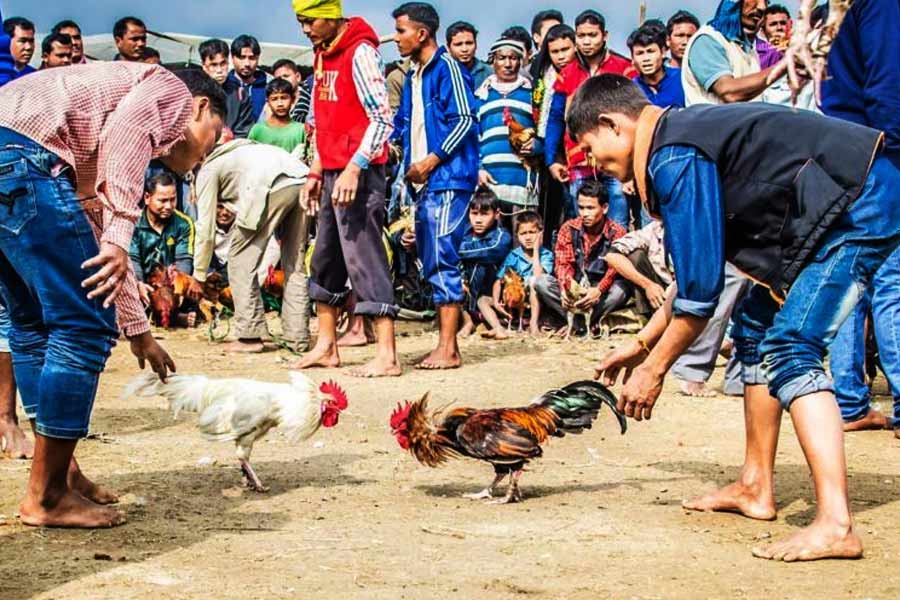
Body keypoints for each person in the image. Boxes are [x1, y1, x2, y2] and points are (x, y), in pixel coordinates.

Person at [572, 74, 900, 562]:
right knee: (754, 325)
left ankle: (835, 523)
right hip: (841, 204)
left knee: (792, 345)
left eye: (589, 148)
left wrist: (653, 369)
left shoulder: (673, 153)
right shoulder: (677, 138)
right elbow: (695, 276)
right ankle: (755, 485)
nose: (595, 164)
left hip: (860, 204)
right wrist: (641, 343)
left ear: (611, 124)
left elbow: (700, 301)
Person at [0, 63, 224, 528]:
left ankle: (60, 471)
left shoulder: (91, 142)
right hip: (23, 159)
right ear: (200, 107)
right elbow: (128, 134)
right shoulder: (170, 88)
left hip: (14, 159)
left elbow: (96, 240)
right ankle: (48, 495)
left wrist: (139, 331)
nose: (208, 150)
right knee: (81, 327)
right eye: (214, 132)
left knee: (32, 322)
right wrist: (124, 230)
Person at [675, 0, 789, 397]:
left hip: (745, 166)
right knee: (727, 271)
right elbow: (728, 92)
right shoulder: (710, 42)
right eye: (750, 1)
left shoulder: (745, 46)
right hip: (715, 166)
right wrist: (780, 67)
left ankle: (744, 371)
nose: (758, 7)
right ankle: (692, 368)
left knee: (756, 270)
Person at [293, 0, 401, 377]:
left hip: (360, 170)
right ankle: (326, 345)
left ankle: (387, 355)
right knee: (324, 255)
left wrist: (355, 167)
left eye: (312, 20)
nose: (306, 29)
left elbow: (382, 119)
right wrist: (315, 171)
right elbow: (325, 122)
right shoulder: (321, 53)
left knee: (365, 256)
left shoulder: (361, 52)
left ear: (333, 14)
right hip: (331, 169)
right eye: (301, 22)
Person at [821, 0, 900, 439]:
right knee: (892, 286)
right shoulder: (887, 6)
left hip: (855, 157)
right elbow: (888, 93)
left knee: (855, 284)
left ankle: (850, 400)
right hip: (881, 159)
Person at [392, 1, 479, 370]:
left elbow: (465, 120)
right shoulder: (414, 74)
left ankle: (449, 348)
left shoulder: (448, 69)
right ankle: (445, 343)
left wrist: (430, 160)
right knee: (430, 255)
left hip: (448, 176)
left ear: (422, 33)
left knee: (442, 255)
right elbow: (402, 123)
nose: (395, 38)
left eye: (401, 31)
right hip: (424, 181)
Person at [194, 139, 310, 353]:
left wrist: (199, 275)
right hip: (303, 179)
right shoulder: (243, 148)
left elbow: (205, 229)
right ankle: (298, 337)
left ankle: (250, 335)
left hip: (270, 185)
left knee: (239, 259)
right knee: (295, 261)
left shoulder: (208, 168)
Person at [544, 10, 636, 225]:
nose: (586, 41)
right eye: (581, 36)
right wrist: (551, 160)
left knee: (617, 225)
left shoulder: (623, 69)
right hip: (578, 162)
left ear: (605, 35)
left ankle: (614, 259)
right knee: (580, 224)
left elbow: (634, 116)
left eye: (592, 35)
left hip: (616, 162)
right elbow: (556, 117)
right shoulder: (566, 74)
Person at [534, 179, 629, 334]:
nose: (585, 213)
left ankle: (576, 324)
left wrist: (598, 290)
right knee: (542, 282)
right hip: (575, 287)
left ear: (604, 208)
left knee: (621, 290)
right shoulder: (568, 228)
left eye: (590, 208)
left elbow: (614, 270)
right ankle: (582, 324)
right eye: (581, 208)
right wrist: (566, 289)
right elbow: (563, 264)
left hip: (600, 290)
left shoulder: (617, 232)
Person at [475, 38, 541, 220]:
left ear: (520, 61)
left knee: (523, 236)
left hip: (522, 179)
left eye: (513, 58)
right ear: (493, 61)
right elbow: (474, 136)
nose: (508, 64)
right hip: (490, 179)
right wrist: (478, 169)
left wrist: (536, 146)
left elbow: (543, 132)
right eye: (502, 58)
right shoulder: (481, 95)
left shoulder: (531, 93)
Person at [531, 24, 576, 245]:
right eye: (555, 52)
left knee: (573, 207)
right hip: (546, 149)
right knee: (548, 208)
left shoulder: (580, 73)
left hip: (574, 150)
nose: (561, 56)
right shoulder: (541, 75)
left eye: (565, 50)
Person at [130, 172, 196, 297]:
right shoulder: (133, 223)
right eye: (163, 201)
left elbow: (184, 261)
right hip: (140, 284)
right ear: (147, 197)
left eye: (173, 199)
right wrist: (138, 283)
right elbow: (133, 260)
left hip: (171, 285)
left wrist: (176, 291)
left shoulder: (184, 224)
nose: (169, 206)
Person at [459, 190, 513, 338]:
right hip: (465, 291)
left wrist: (458, 251)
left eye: (484, 214)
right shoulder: (464, 232)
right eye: (474, 213)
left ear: (497, 214)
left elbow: (490, 251)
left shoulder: (502, 236)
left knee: (481, 264)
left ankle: (496, 327)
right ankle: (468, 322)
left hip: (490, 294)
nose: (478, 219)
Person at [493, 211, 553, 337]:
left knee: (533, 283)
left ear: (540, 233)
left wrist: (536, 250)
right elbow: (499, 279)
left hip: (537, 298)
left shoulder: (546, 255)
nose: (528, 237)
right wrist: (496, 301)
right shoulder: (514, 255)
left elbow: (539, 277)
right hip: (517, 299)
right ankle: (497, 327)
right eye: (523, 233)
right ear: (517, 235)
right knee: (482, 301)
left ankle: (533, 323)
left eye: (532, 232)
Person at [605, 220, 672, 321]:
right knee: (635, 256)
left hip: (689, 291)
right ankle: (650, 316)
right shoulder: (656, 228)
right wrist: (648, 285)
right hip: (662, 291)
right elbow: (611, 255)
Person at [199, 38, 256, 139]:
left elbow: (244, 131)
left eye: (223, 63)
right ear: (204, 66)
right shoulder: (193, 92)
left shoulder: (240, 94)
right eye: (213, 65)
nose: (219, 70)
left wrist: (229, 140)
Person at [628, 24, 685, 108]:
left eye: (650, 51)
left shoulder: (682, 78)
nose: (646, 58)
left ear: (663, 52)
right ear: (632, 58)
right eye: (640, 53)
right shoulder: (631, 89)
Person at [249, 78, 308, 155]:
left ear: (293, 100)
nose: (280, 104)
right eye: (274, 99)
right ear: (268, 102)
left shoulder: (301, 130)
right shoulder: (257, 130)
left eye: (284, 98)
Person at [226, 35, 268, 121]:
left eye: (252, 58)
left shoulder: (268, 89)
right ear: (232, 57)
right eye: (242, 57)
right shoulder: (223, 87)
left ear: (258, 58)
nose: (247, 63)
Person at [446, 21, 491, 90]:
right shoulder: (442, 73)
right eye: (458, 44)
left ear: (476, 44)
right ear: (448, 47)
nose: (464, 49)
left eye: (469, 43)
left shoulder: (490, 73)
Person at [272, 58, 312, 125]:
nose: (283, 81)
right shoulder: (271, 103)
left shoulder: (310, 97)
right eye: (278, 79)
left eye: (286, 76)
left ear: (298, 77)